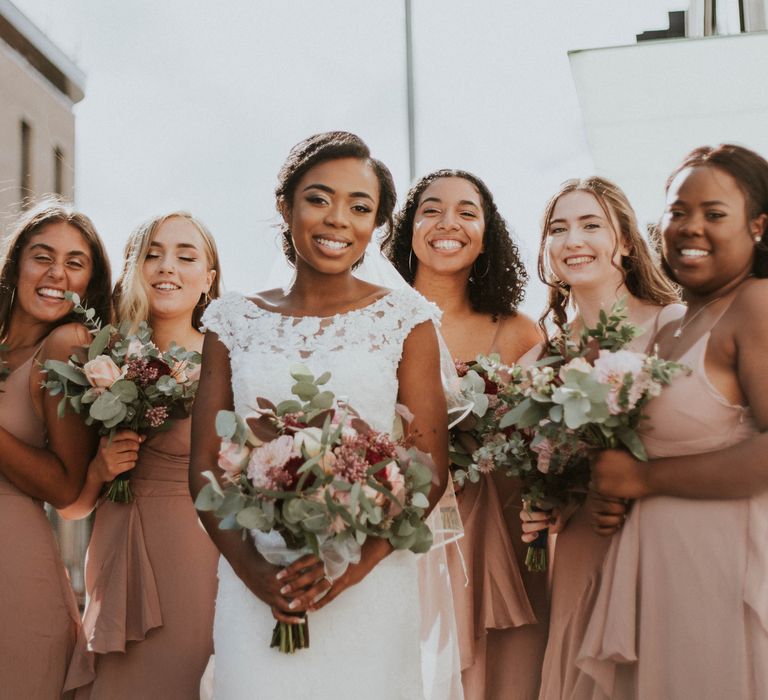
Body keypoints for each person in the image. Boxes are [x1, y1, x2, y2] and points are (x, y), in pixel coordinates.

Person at [190, 131, 449, 700]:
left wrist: (349, 565)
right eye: (318, 198)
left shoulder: (406, 319)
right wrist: (255, 573)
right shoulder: (231, 320)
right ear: (285, 206)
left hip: (370, 587)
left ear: (377, 224)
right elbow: (207, 465)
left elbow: (429, 465)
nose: (338, 220)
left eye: (361, 207)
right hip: (255, 580)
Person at [583, 145, 768, 699]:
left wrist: (642, 480)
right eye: (678, 211)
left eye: (714, 214)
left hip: (719, 569)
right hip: (659, 574)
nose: (692, 228)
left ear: (758, 227)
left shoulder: (756, 306)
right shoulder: (673, 327)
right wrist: (613, 488)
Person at [518, 177, 681, 700]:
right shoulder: (537, 364)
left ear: (627, 242)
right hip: (585, 547)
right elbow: (549, 469)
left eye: (591, 225)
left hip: (666, 539)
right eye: (558, 229)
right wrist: (545, 506)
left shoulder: (674, 327)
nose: (573, 241)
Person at [385, 169, 544, 700]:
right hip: (398, 538)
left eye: (467, 212)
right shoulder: (373, 322)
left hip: (494, 536)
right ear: (408, 228)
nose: (447, 223)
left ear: (486, 234)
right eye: (430, 209)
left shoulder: (519, 332)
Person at [58, 212, 221, 699]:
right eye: (151, 254)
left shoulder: (229, 360)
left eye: (185, 256)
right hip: (113, 550)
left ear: (208, 281)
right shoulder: (97, 354)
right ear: (132, 267)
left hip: (198, 558)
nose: (166, 266)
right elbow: (72, 507)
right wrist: (99, 470)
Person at [0, 199, 112, 699]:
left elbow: (69, 489)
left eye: (74, 263)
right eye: (42, 257)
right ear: (16, 264)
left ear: (89, 283)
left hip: (12, 569)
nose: (56, 274)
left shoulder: (66, 344)